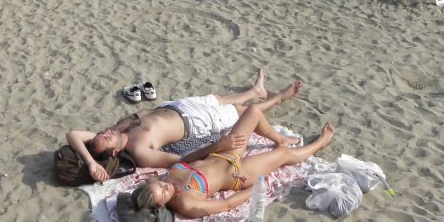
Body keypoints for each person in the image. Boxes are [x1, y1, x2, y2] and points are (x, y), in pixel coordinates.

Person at [66, 69, 302, 183]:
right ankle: (278, 102)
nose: (107, 132)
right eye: (106, 138)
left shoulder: (118, 129)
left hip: (177, 106)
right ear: (115, 151)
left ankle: (254, 91)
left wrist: (89, 160)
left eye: (102, 133)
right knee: (241, 113)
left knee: (217, 99)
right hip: (194, 124)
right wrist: (217, 145)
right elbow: (179, 161)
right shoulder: (138, 150)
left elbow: (73, 134)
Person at [117, 107, 335, 222]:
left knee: (253, 112)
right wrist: (257, 188)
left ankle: (277, 136)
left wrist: (219, 144)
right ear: (162, 205)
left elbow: (187, 160)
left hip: (223, 152)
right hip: (238, 173)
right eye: (163, 193)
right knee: (283, 154)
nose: (166, 186)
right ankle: (320, 143)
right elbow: (226, 205)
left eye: (160, 185)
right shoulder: (186, 203)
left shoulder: (164, 180)